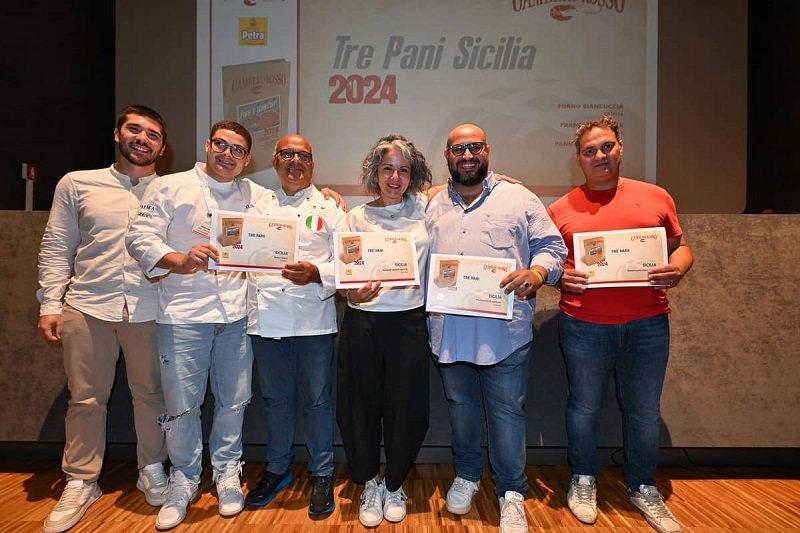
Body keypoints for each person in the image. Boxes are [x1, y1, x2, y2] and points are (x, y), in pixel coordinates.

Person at [547, 115, 693, 533]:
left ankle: (642, 485)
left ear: (621, 148)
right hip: (584, 324)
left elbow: (682, 248)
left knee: (644, 411)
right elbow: (549, 265)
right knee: (584, 407)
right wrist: (559, 277)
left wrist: (678, 269)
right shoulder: (560, 209)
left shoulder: (656, 197)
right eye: (590, 150)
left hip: (648, 324)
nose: (600, 155)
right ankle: (583, 478)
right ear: (578, 159)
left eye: (607, 147)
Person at [425, 123, 567, 533]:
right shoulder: (431, 204)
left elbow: (552, 247)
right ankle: (468, 475)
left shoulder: (519, 197)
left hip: (505, 334)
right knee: (461, 409)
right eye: (458, 149)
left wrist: (537, 273)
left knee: (507, 414)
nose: (467, 155)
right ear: (447, 157)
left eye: (474, 147)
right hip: (450, 332)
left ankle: (511, 492)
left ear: (487, 150)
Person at [126, 120, 267, 530]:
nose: (228, 154)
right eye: (221, 145)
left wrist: (328, 197)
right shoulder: (170, 186)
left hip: (236, 316)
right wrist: (181, 260)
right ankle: (183, 479)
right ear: (207, 145)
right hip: (183, 315)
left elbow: (287, 218)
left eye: (237, 150)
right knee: (182, 407)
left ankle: (227, 473)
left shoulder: (255, 194)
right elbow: (139, 238)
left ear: (246, 159)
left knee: (234, 401)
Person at [36, 105, 170, 533]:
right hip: (88, 305)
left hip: (150, 308)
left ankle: (151, 467)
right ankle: (81, 479)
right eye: (135, 129)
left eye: (152, 135)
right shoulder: (77, 184)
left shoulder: (171, 190)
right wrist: (49, 303)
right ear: (118, 134)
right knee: (86, 398)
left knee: (152, 395)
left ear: (162, 148)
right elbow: (58, 245)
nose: (142, 138)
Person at [243, 134, 346, 518]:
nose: (295, 161)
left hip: (312, 320)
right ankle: (277, 468)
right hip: (266, 320)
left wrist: (318, 273)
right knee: (276, 400)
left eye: (303, 155)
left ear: (312, 164)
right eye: (287, 154)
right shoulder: (255, 202)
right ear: (274, 161)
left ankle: (322, 473)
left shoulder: (331, 208)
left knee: (317, 401)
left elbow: (348, 261)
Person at [336, 134, 433, 527]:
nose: (395, 177)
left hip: (408, 321)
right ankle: (369, 483)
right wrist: (351, 292)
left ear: (414, 175)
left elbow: (463, 186)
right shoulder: (354, 217)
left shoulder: (426, 209)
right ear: (374, 173)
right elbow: (342, 272)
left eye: (403, 170)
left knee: (406, 407)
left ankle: (394, 483)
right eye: (388, 169)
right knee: (359, 407)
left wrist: (501, 178)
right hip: (363, 320)